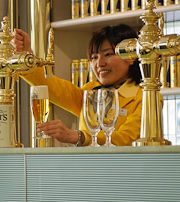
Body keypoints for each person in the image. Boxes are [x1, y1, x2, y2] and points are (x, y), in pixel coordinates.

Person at [12, 24, 142, 146]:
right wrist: (26, 57)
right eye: (94, 57)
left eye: (108, 54)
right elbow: (51, 86)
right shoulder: (90, 91)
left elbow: (127, 138)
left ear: (130, 57)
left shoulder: (144, 96)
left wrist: (79, 137)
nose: (100, 63)